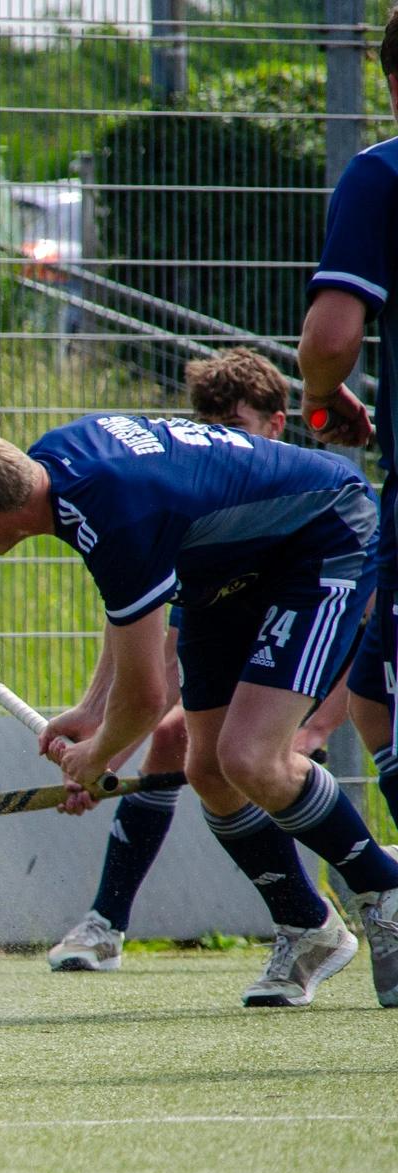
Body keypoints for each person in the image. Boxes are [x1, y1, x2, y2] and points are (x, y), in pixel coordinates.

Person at [0, 415, 398, 1007]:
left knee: (251, 756)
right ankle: (307, 927)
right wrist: (93, 715)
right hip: (223, 570)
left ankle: (384, 890)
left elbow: (144, 697)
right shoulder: (55, 462)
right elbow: (128, 614)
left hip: (320, 536)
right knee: (209, 772)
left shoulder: (118, 513)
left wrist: (99, 754)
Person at [46, 350, 348, 971]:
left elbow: (366, 629)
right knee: (175, 741)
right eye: (207, 424)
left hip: (338, 644)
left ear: (275, 425)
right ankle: (112, 923)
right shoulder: (210, 519)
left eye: (234, 426)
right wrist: (100, 754)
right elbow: (157, 651)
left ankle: (356, 903)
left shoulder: (286, 498)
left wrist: (319, 726)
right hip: (268, 630)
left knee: (199, 741)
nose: (220, 440)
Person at [298, 2, 398, 1008]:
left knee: (378, 695)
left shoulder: (381, 171)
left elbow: (329, 337)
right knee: (367, 694)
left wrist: (325, 400)